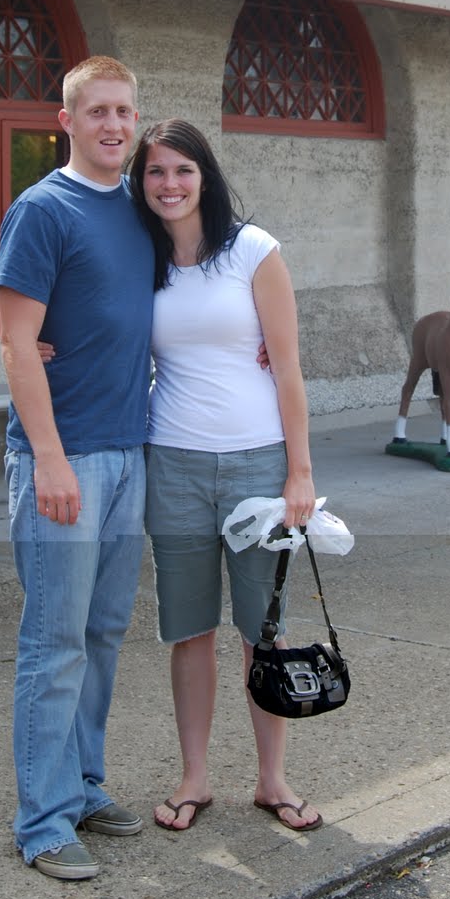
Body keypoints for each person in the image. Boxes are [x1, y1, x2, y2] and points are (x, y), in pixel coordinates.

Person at [128, 119, 323, 834]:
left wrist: (299, 473)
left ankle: (273, 781)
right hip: (171, 462)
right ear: (140, 183)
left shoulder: (252, 250)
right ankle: (194, 777)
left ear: (203, 175)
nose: (169, 184)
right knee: (188, 631)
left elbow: (290, 368)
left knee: (262, 632)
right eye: (155, 173)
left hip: (256, 464)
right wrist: (45, 341)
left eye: (181, 170)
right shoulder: (138, 257)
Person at [0, 55, 155, 881]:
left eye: (124, 112)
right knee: (53, 641)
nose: (113, 126)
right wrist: (50, 458)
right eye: (97, 112)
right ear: (66, 120)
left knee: (100, 634)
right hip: (65, 463)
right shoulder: (41, 210)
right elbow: (17, 342)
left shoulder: (138, 209)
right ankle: (43, 821)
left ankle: (84, 784)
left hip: (130, 453)